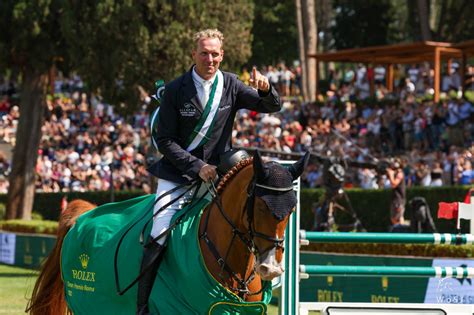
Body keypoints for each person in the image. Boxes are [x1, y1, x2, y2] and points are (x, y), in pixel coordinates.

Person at [139, 29, 281, 313]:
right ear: (194, 54)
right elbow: (164, 140)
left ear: (222, 55)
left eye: (215, 53)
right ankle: (142, 306)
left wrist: (266, 89)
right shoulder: (175, 89)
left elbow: (271, 107)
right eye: (204, 53)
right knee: (158, 234)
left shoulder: (230, 84)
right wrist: (196, 166)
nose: (210, 59)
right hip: (177, 177)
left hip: (218, 178)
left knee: (245, 226)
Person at [386, 158, 406, 226]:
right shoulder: (396, 173)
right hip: (395, 199)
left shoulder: (400, 173)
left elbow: (394, 184)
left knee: (398, 218)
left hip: (398, 199)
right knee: (394, 218)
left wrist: (391, 174)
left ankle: (403, 232)